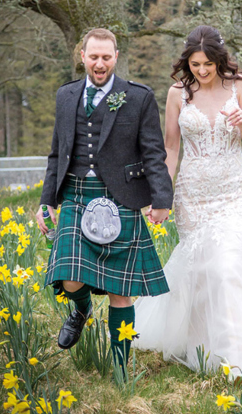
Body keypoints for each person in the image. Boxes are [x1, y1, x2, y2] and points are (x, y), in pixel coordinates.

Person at [133, 25, 242, 378]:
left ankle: (239, 358)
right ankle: (202, 349)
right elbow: (170, 148)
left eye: (209, 63)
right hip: (192, 194)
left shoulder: (238, 85)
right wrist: (160, 194)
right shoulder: (177, 94)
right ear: (187, 62)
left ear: (219, 59)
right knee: (201, 271)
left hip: (233, 190)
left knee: (228, 264)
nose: (203, 71)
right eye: (196, 64)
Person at [35, 28, 173, 373]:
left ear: (116, 56)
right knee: (69, 278)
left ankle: (122, 368)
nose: (100, 64)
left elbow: (154, 153)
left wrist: (161, 198)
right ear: (82, 55)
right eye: (93, 56)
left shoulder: (138, 97)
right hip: (77, 196)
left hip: (121, 198)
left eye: (106, 57)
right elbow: (57, 154)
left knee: (120, 291)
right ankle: (80, 310)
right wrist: (46, 201)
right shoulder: (65, 96)